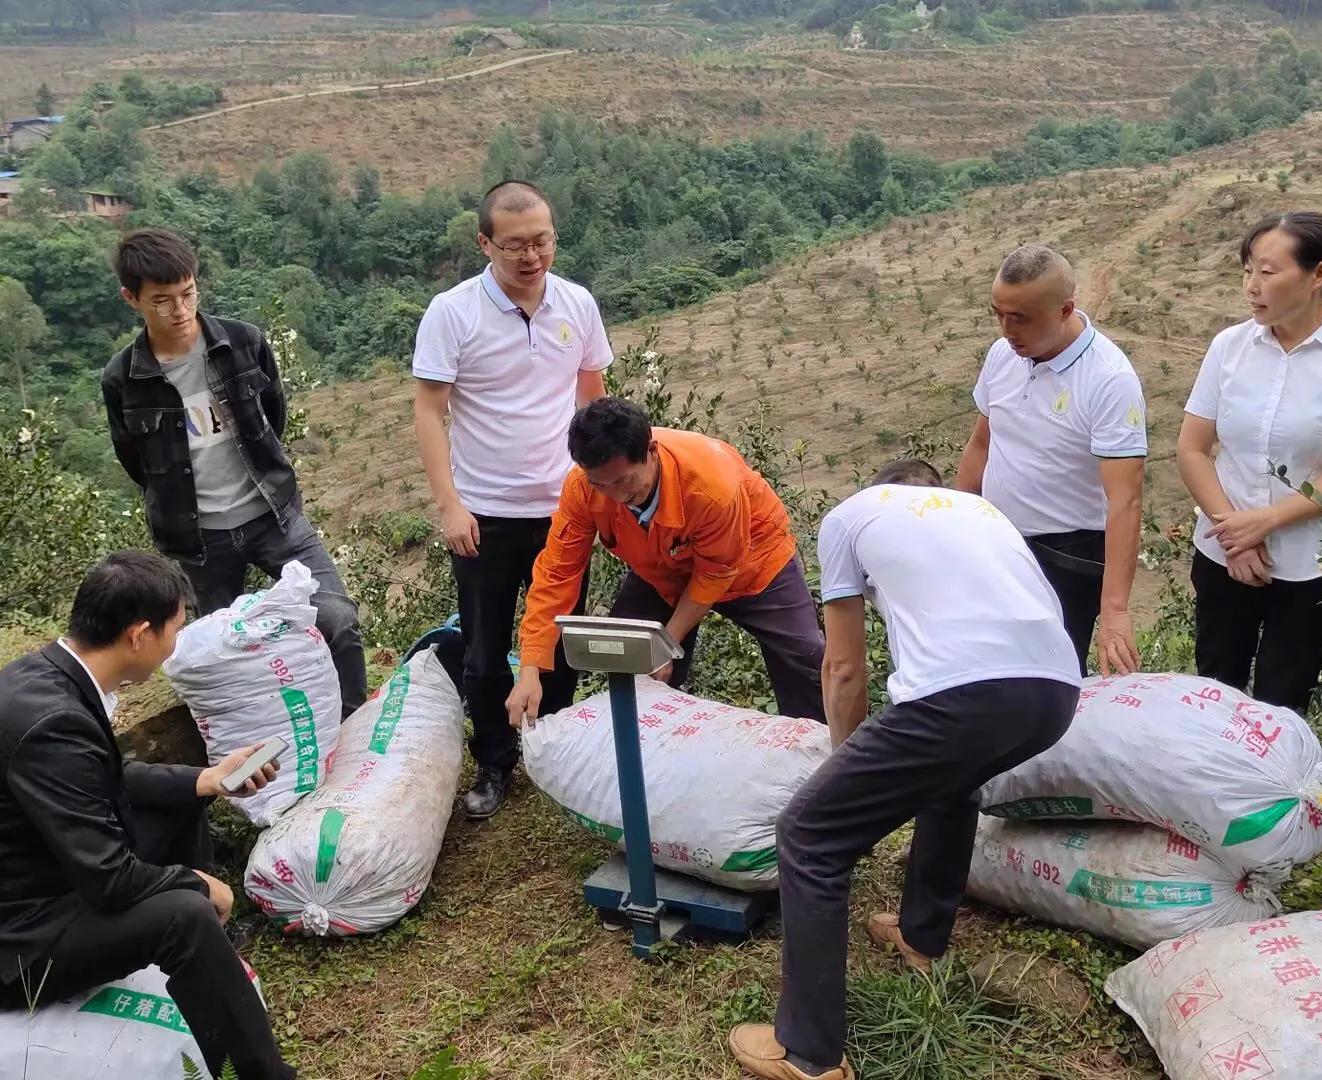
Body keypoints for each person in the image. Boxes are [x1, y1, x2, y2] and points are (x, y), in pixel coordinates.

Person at [728, 460, 1081, 1080]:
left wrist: (841, 768)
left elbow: (842, 668)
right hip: (1055, 693)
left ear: (876, 488)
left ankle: (809, 1053)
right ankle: (921, 937)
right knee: (952, 782)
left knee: (810, 835)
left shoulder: (849, 517)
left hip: (963, 696)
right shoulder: (980, 512)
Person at [0, 551, 295, 1079]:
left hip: (29, 881)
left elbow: (101, 779)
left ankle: (211, 970)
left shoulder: (48, 676)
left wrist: (204, 779)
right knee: (184, 916)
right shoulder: (52, 722)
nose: (175, 645)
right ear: (140, 634)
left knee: (180, 802)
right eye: (175, 630)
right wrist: (200, 885)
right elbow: (110, 881)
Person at [100, 227, 367, 717]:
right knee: (217, 657)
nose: (180, 310)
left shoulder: (244, 343)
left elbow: (273, 419)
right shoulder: (123, 379)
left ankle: (355, 725)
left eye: (188, 293)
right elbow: (137, 463)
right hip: (198, 543)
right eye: (162, 301)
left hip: (274, 518)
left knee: (336, 619)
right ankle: (256, 745)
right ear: (130, 298)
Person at [413, 180, 614, 819]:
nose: (531, 257)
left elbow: (592, 401)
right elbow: (428, 411)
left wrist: (598, 491)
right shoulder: (453, 313)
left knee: (559, 639)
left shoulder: (577, 304)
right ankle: (495, 761)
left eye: (542, 242)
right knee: (483, 645)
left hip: (564, 509)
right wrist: (450, 504)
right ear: (485, 243)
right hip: (485, 512)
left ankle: (552, 753)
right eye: (515, 245)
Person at [1176, 211, 1322, 712]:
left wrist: (1265, 522)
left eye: (1268, 273)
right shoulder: (1229, 347)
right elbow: (1192, 449)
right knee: (1214, 695)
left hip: (1308, 563)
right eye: (1248, 270)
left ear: (1319, 275)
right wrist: (1233, 534)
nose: (1252, 286)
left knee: (1282, 705)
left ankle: (1271, 793)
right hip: (1221, 554)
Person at [506, 397, 824, 727]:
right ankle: (644, 751)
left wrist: (666, 642)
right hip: (660, 566)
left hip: (752, 560)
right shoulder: (584, 488)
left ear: (652, 452)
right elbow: (557, 573)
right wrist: (530, 668)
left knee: (805, 658)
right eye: (601, 484)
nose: (615, 496)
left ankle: (819, 755)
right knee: (626, 653)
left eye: (624, 481)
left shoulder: (712, 486)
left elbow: (715, 572)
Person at [953, 243, 1147, 675]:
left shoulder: (1108, 381)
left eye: (1020, 318)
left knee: (1049, 679)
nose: (1006, 329)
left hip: (1067, 557)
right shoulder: (1002, 355)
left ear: (1065, 309)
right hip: (998, 541)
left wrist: (1114, 611)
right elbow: (982, 443)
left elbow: (1126, 500)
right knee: (985, 667)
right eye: (998, 314)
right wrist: (954, 524)